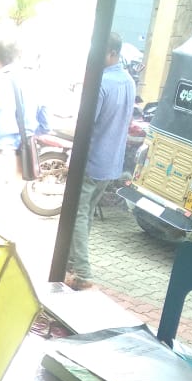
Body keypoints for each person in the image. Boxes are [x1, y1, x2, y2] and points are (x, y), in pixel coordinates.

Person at [66, 31, 135, 291]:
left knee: (77, 214)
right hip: (111, 163)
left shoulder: (102, 83)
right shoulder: (128, 81)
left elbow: (87, 125)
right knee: (85, 216)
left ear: (112, 53)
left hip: (92, 161)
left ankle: (82, 272)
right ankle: (71, 264)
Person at [0, 39, 51, 221]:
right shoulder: (36, 84)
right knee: (8, 212)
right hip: (22, 159)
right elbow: (46, 126)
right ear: (20, 56)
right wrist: (28, 134)